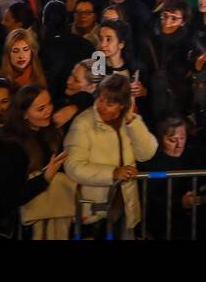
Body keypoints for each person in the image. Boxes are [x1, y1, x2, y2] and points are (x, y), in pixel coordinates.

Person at [63, 73, 158, 239]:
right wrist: (112, 173)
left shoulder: (129, 122)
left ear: (122, 105)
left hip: (125, 206)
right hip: (93, 210)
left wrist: (131, 121)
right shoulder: (83, 123)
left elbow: (147, 154)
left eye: (110, 103)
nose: (102, 106)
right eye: (100, 99)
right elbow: (73, 166)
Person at [0, 85, 73, 239]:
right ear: (24, 114)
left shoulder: (52, 135)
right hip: (22, 228)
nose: (49, 111)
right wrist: (44, 178)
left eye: (49, 104)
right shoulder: (12, 146)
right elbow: (10, 197)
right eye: (41, 108)